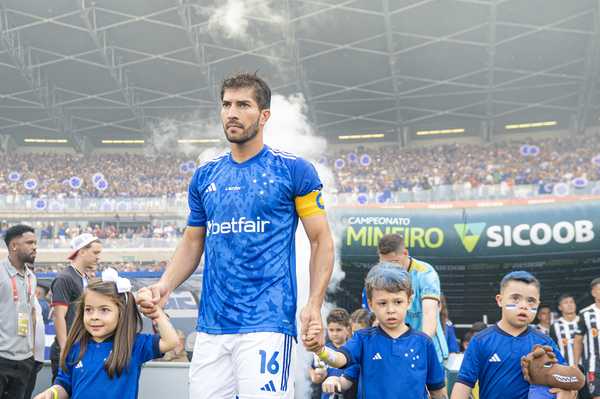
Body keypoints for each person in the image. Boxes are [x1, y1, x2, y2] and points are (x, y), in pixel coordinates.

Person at [138, 72, 334, 399]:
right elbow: (192, 241)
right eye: (226, 104)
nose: (232, 112)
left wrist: (314, 303)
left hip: (268, 323)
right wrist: (164, 284)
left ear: (264, 115)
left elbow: (321, 240)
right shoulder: (205, 176)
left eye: (243, 105)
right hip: (212, 327)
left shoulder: (294, 170)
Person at [305, 263, 447, 399]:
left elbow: (438, 392)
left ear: (409, 301)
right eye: (383, 303)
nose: (391, 310)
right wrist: (320, 350)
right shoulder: (362, 339)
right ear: (371, 304)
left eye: (398, 302)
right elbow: (340, 359)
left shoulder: (424, 343)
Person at [33, 268, 178, 399]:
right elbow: (64, 384)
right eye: (89, 309)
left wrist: (156, 312)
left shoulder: (134, 345)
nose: (94, 316)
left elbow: (171, 341)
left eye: (104, 310)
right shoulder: (75, 347)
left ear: (121, 313)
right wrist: (53, 393)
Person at [450, 271, 576, 399]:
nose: (524, 306)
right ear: (500, 300)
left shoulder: (545, 342)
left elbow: (568, 381)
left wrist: (567, 393)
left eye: (531, 301)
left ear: (538, 304)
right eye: (515, 298)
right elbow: (464, 384)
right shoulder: (480, 340)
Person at [361, 233, 448, 363]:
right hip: (396, 351)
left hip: (428, 350)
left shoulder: (425, 273)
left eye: (394, 262)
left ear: (405, 253)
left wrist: (421, 346)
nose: (389, 268)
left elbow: (429, 313)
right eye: (384, 263)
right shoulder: (377, 274)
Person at [50, 233, 102, 381]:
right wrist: (64, 348)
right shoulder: (65, 278)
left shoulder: (83, 278)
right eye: (95, 252)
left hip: (81, 347)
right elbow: (58, 315)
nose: (98, 257)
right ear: (82, 251)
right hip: (69, 349)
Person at [0, 224, 38, 399]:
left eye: (35, 243)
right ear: (14, 246)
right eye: (29, 242)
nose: (35, 247)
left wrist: (31, 350)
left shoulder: (32, 277)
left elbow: (31, 315)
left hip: (24, 359)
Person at [309, 308, 356, 399]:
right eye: (331, 330)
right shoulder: (324, 350)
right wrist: (316, 376)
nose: (334, 333)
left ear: (348, 329)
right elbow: (313, 372)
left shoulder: (353, 349)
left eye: (338, 330)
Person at [574, 278, 600, 399]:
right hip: (593, 364)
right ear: (593, 293)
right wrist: (575, 364)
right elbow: (578, 340)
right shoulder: (585, 313)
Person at [550, 294, 579, 367]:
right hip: (565, 367)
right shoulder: (555, 326)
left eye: (571, 302)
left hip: (586, 367)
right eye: (566, 303)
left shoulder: (583, 321)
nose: (570, 305)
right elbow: (553, 348)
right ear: (560, 307)